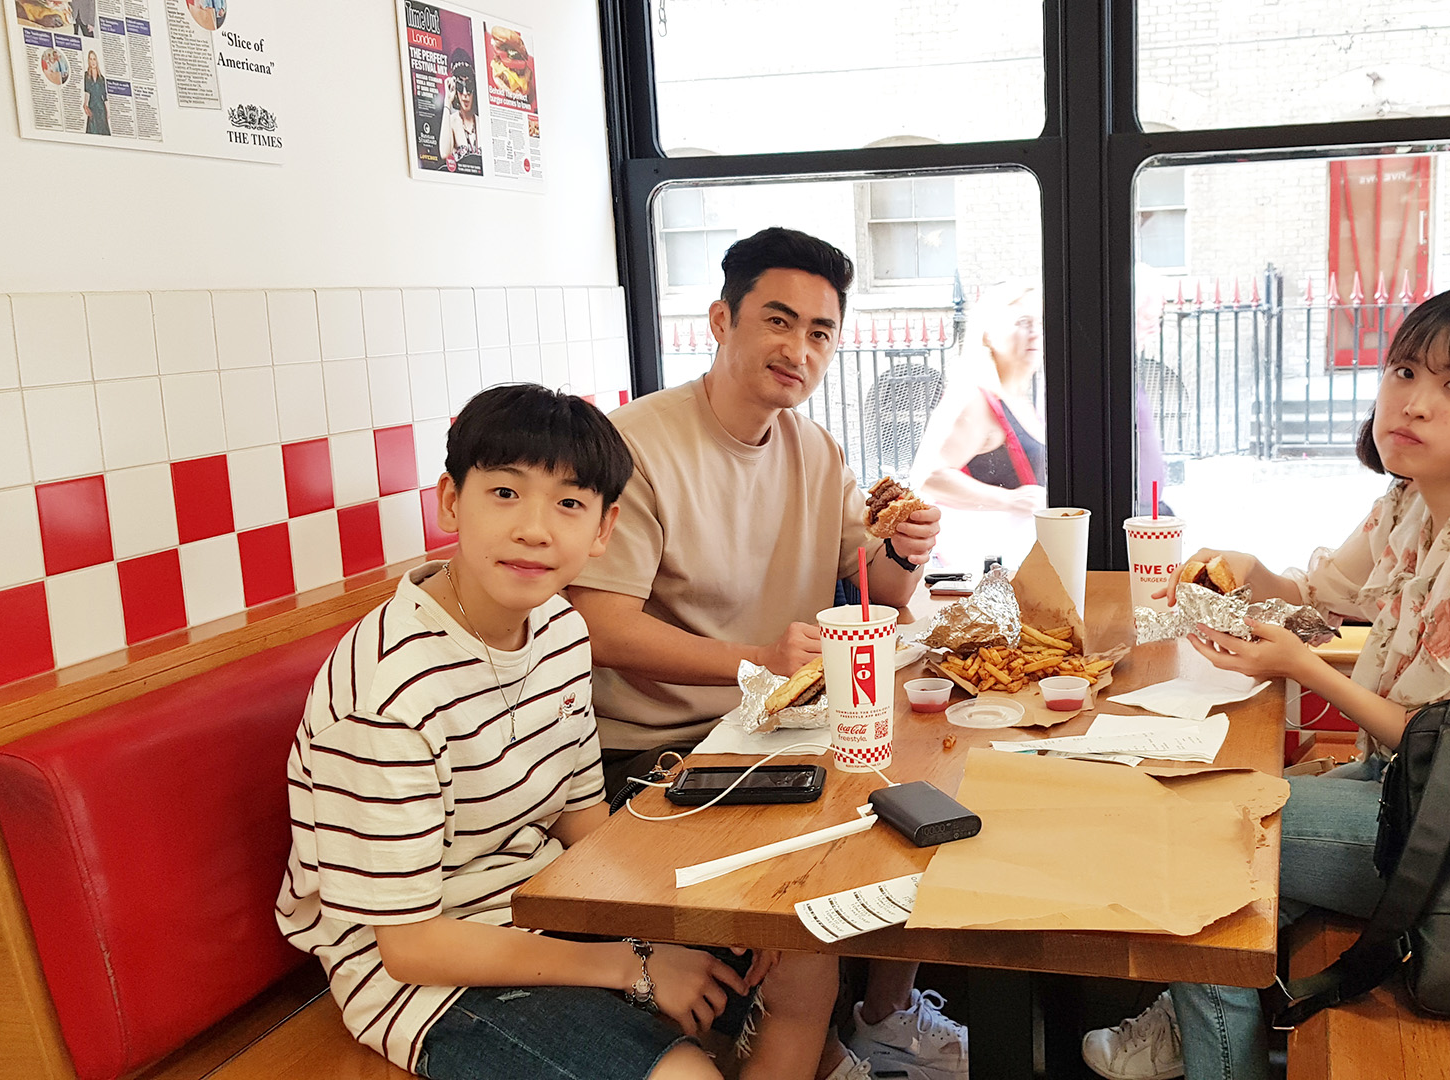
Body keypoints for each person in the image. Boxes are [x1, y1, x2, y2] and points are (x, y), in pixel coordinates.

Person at [1080, 287, 1450, 1080]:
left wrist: (1300, 668)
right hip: (1409, 790)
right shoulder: (1412, 503)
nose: (1415, 403)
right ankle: (1203, 1025)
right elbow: (1318, 598)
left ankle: (1210, 1048)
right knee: (1218, 834)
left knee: (1201, 837)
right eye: (1404, 372)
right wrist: (1244, 569)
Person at [276, 384, 858, 1080]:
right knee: (688, 1075)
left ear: (604, 529)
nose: (535, 529)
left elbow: (582, 825)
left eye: (569, 504)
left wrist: (703, 917)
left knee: (804, 953)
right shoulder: (389, 691)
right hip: (427, 980)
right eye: (505, 494)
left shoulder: (557, 629)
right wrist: (634, 963)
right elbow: (410, 946)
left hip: (546, 904)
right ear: (450, 501)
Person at [569, 227, 967, 1079]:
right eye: (778, 321)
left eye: (821, 332)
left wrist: (909, 550)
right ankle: (823, 1044)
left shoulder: (815, 450)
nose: (799, 350)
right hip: (663, 754)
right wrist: (756, 660)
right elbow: (600, 624)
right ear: (722, 320)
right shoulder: (634, 446)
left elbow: (875, 589)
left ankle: (882, 1018)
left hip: (778, 738)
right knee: (811, 929)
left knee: (934, 799)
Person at [907, 284, 1046, 573]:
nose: (1035, 333)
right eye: (1023, 322)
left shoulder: (1018, 399)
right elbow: (927, 476)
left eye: (1039, 322)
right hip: (986, 568)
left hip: (1013, 563)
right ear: (988, 334)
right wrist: (1010, 500)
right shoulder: (974, 399)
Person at [438, 54, 480, 171]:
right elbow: (444, 153)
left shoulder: (481, 123)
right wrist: (447, 101)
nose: (465, 93)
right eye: (460, 87)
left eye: (469, 86)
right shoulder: (452, 121)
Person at [82, 51, 108, 136]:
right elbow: (87, 91)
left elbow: (105, 97)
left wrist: (108, 112)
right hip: (92, 107)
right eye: (91, 59)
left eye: (94, 59)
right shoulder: (87, 75)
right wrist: (85, 105)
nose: (93, 61)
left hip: (101, 109)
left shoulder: (101, 78)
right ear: (88, 61)